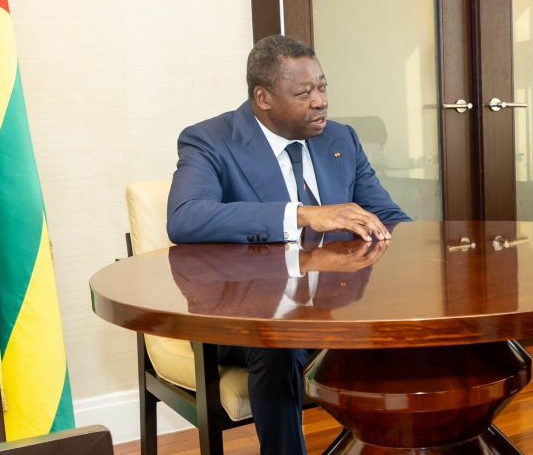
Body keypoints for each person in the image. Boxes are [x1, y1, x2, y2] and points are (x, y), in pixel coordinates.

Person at [167, 34, 410, 455]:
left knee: (416, 335)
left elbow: (387, 217)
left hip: (335, 306)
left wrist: (427, 253)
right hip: (244, 312)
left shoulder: (341, 139)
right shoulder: (210, 140)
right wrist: (300, 213)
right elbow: (185, 216)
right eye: (304, 92)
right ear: (263, 97)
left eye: (323, 87)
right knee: (276, 345)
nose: (320, 101)